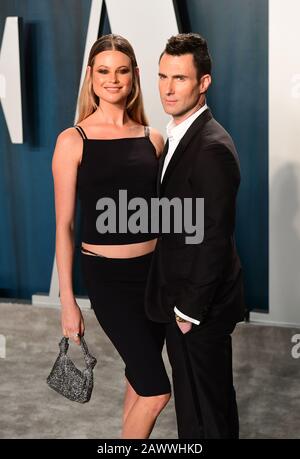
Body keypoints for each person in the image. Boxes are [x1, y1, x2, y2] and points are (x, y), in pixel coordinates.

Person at [52, 34, 171, 439]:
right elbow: (65, 227)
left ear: (135, 76)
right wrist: (68, 303)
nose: (112, 79)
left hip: (154, 277)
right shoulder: (73, 141)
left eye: (122, 70)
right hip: (108, 281)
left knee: (140, 379)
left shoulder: (153, 140)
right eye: (103, 70)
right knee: (157, 392)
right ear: (90, 76)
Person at [145, 33, 245, 439]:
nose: (168, 88)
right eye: (163, 76)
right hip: (181, 299)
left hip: (198, 307)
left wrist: (189, 311)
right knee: (193, 407)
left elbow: (214, 239)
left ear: (204, 83)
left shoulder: (210, 147)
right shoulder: (179, 134)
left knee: (209, 410)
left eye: (180, 79)